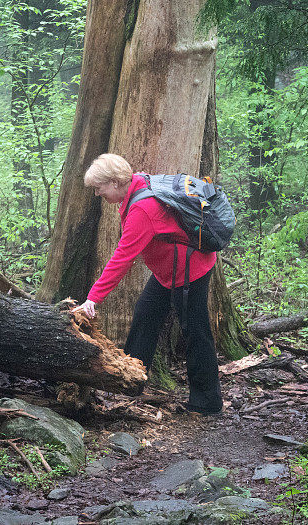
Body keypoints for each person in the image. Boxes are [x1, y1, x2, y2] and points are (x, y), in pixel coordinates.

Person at [73, 153, 223, 415]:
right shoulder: (137, 184)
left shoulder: (142, 209)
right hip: (169, 272)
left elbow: (122, 259)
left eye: (99, 188)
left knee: (196, 333)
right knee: (145, 314)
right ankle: (129, 381)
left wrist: (93, 298)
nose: (97, 193)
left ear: (116, 182)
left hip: (189, 271)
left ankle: (206, 403)